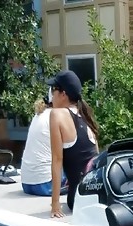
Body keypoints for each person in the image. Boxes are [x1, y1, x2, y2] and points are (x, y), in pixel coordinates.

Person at [47, 70, 99, 217]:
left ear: (63, 94)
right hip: (97, 194)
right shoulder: (86, 116)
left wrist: (55, 204)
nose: (51, 95)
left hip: (78, 198)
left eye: (53, 90)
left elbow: (57, 160)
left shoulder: (56, 114)